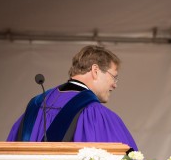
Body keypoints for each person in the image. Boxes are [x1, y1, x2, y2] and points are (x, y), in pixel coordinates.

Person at [7, 45, 138, 151]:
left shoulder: (35, 105)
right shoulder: (95, 114)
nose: (114, 85)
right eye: (114, 77)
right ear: (95, 70)